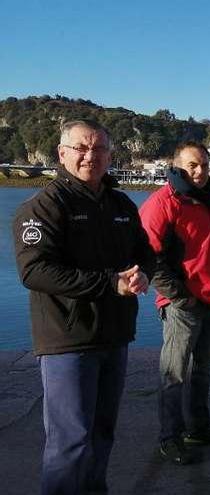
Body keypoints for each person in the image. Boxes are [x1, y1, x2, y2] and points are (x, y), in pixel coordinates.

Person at [12, 119, 154, 494]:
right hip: (67, 340)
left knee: (102, 433)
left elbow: (144, 253)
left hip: (115, 335)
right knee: (71, 441)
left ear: (110, 155)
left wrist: (142, 275)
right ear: (62, 154)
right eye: (81, 148)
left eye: (99, 149)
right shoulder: (43, 206)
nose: (90, 156)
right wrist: (110, 283)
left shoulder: (121, 203)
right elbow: (35, 271)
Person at [139, 141, 210, 465]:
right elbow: (147, 256)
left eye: (205, 166)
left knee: (202, 371)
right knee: (174, 373)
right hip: (183, 305)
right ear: (177, 166)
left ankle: (199, 427)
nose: (200, 171)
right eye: (193, 165)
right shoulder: (163, 202)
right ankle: (171, 437)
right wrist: (182, 298)